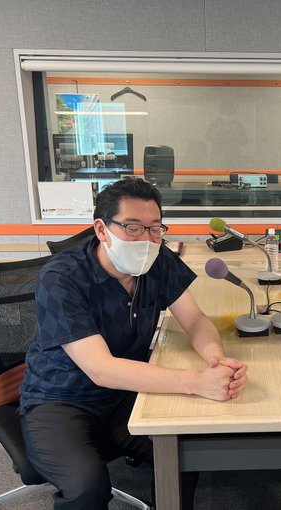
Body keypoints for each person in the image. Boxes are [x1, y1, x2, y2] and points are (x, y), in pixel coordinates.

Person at [19, 178, 248, 510]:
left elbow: (195, 320)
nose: (146, 239)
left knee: (183, 453)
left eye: (155, 229)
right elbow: (101, 369)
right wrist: (197, 382)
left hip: (127, 393)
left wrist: (216, 360)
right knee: (87, 485)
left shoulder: (158, 260)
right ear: (101, 229)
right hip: (61, 399)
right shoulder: (61, 278)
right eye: (133, 227)